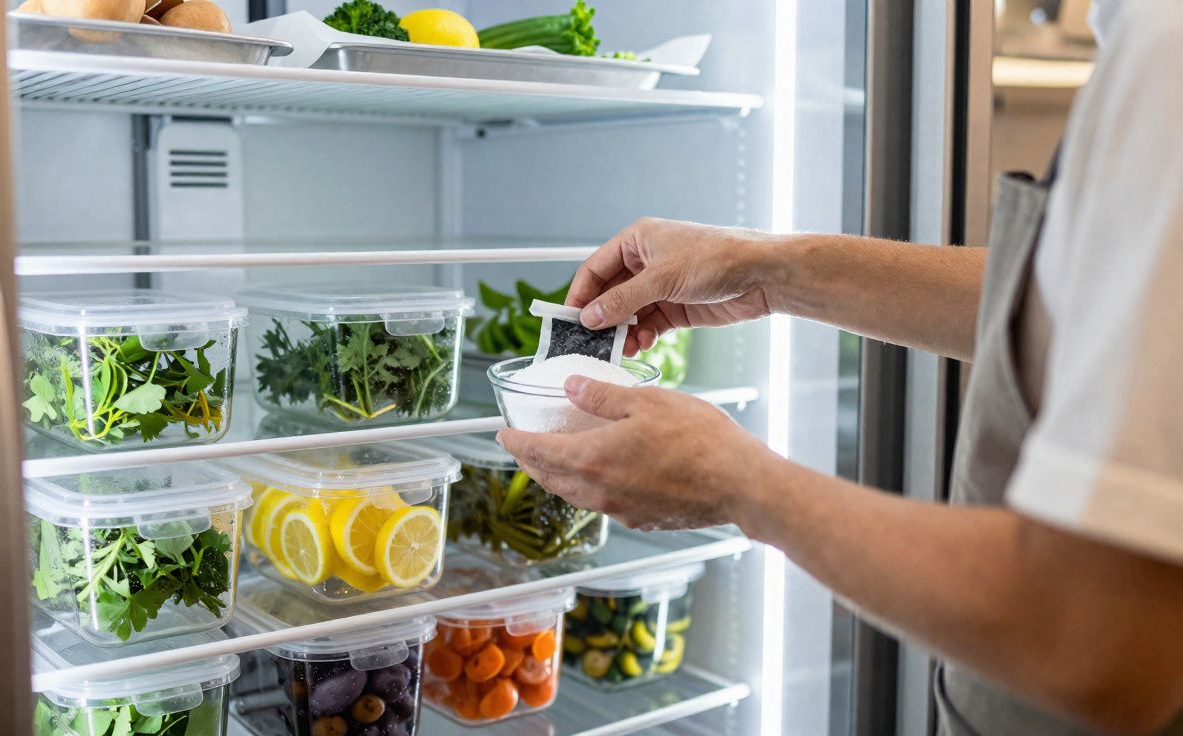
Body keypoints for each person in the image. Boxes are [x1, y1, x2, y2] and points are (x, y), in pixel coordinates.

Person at [494, 1, 1183, 734]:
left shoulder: (1164, 47)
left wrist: (737, 483)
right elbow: (1080, 307)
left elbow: (1091, 635)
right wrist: (766, 270)